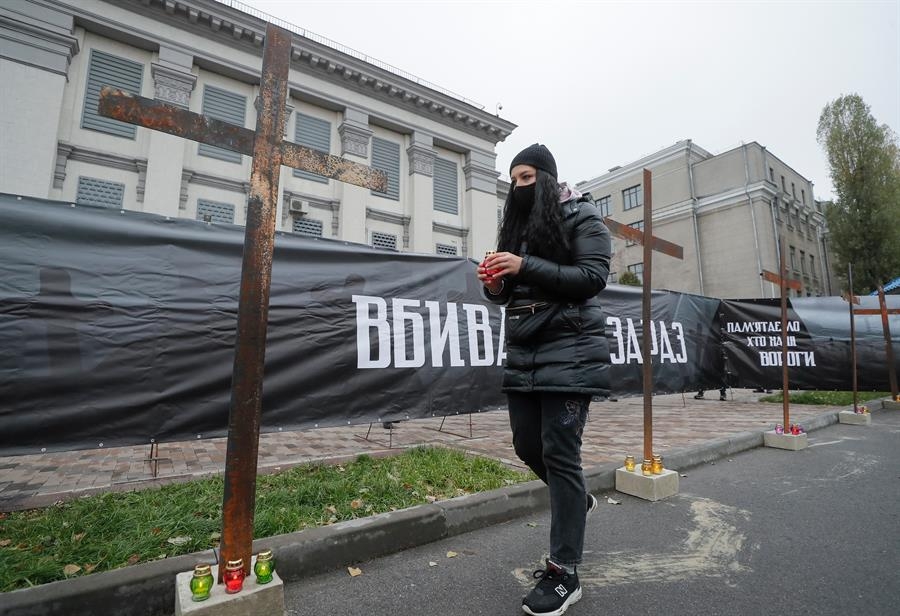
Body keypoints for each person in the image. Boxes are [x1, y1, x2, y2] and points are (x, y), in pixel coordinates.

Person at [477, 144, 611, 616]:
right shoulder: (517, 230)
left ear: (549, 179)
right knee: (525, 446)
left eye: (528, 177)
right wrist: (495, 284)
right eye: (514, 179)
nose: (519, 186)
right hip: (524, 350)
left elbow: (592, 276)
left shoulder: (582, 217)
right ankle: (578, 499)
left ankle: (563, 573)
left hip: (570, 351)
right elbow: (510, 291)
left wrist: (523, 265)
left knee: (559, 452)